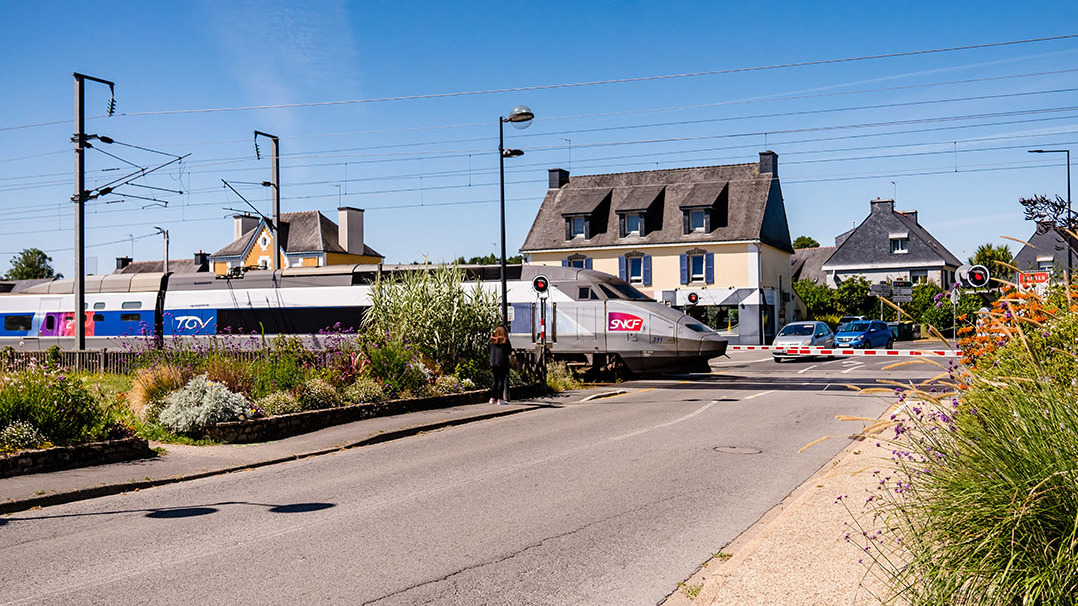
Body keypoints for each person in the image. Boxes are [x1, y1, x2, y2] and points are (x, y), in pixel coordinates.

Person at [489, 325, 512, 404]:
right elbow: (509, 351)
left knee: (495, 380)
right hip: (502, 362)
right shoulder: (505, 341)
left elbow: (488, 349)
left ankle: (492, 398)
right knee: (501, 380)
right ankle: (500, 399)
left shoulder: (491, 340)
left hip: (493, 362)